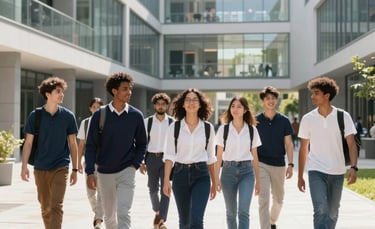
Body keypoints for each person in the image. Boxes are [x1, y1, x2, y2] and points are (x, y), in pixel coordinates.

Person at [85, 72, 147, 229]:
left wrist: (135, 164)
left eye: (130, 88)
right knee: (109, 215)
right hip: (105, 172)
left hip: (127, 170)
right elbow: (91, 145)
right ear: (114, 91)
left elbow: (142, 143)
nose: (129, 92)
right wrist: (90, 172)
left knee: (123, 212)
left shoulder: (136, 115)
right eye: (125, 89)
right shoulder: (100, 115)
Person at [298, 76, 358, 229]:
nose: (312, 96)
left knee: (332, 212)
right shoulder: (307, 119)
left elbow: (351, 145)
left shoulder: (343, 116)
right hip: (316, 171)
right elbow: (303, 148)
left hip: (337, 171)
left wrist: (353, 167)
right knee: (320, 209)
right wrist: (300, 176)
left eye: (316, 93)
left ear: (327, 95)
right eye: (312, 93)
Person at [21, 76, 79, 229]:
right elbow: (28, 143)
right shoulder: (36, 116)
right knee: (46, 207)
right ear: (48, 94)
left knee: (56, 205)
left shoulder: (68, 116)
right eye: (58, 91)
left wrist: (75, 168)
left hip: (61, 166)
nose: (61, 95)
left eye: (62, 92)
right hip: (40, 167)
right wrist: (24, 166)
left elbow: (73, 144)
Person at [163, 88, 217, 229]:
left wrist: (215, 181)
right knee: (185, 221)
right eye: (188, 99)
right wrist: (166, 181)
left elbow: (211, 157)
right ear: (182, 104)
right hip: (180, 175)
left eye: (195, 100)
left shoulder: (207, 128)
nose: (191, 103)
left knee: (197, 220)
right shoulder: (174, 127)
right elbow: (169, 156)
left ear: (200, 105)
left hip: (201, 175)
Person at [215, 96, 261, 229]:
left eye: (239, 106)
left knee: (243, 211)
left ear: (245, 110)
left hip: (247, 172)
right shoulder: (223, 130)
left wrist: (258, 180)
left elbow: (255, 157)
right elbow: (218, 156)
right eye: (233, 106)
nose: (235, 109)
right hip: (227, 172)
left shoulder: (252, 130)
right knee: (230, 213)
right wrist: (216, 179)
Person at [256, 86, 294, 229]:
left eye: (273, 98)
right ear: (263, 101)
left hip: (279, 164)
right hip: (261, 164)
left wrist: (290, 164)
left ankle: (272, 222)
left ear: (276, 100)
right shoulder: (256, 121)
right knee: (263, 199)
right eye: (267, 99)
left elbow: (289, 144)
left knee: (278, 200)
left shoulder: (284, 120)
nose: (271, 101)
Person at [140, 92, 173, 229]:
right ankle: (158, 212)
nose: (160, 106)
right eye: (158, 104)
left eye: (163, 104)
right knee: (152, 189)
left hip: (167, 159)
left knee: (166, 188)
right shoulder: (147, 122)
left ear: (166, 106)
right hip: (151, 158)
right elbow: (142, 142)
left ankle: (161, 220)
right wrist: (142, 161)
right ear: (154, 105)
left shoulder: (172, 122)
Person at [77, 97, 104, 229]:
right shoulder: (85, 123)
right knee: (90, 193)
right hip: (89, 162)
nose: (96, 109)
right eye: (94, 107)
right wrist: (77, 163)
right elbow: (81, 144)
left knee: (102, 191)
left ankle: (98, 218)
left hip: (104, 162)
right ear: (90, 108)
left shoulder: (106, 122)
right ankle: (97, 213)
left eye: (99, 107)